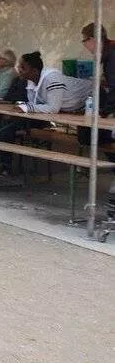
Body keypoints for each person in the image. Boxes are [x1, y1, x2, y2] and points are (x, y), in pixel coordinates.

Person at [77, 23, 115, 219]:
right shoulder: (109, 53)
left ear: (92, 39)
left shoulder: (111, 56)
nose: (84, 45)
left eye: (84, 41)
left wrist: (105, 112)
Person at [15, 51, 91, 114]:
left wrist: (27, 107)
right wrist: (23, 106)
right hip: (76, 106)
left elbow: (53, 108)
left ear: (35, 71)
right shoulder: (31, 81)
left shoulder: (52, 78)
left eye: (23, 68)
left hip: (93, 94)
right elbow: (35, 104)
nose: (19, 69)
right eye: (19, 66)